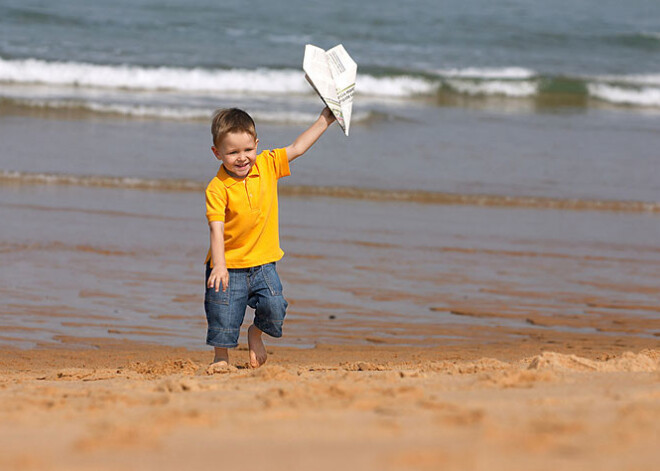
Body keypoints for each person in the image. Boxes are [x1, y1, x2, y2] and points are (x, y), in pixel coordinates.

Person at [204, 106, 336, 370]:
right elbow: (216, 229)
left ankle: (256, 334)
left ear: (256, 145)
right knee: (223, 313)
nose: (242, 158)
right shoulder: (217, 188)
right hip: (228, 264)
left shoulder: (266, 164)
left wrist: (325, 118)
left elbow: (298, 147)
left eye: (247, 150)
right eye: (232, 153)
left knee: (275, 306)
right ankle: (221, 358)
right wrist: (219, 265)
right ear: (217, 153)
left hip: (264, 263)